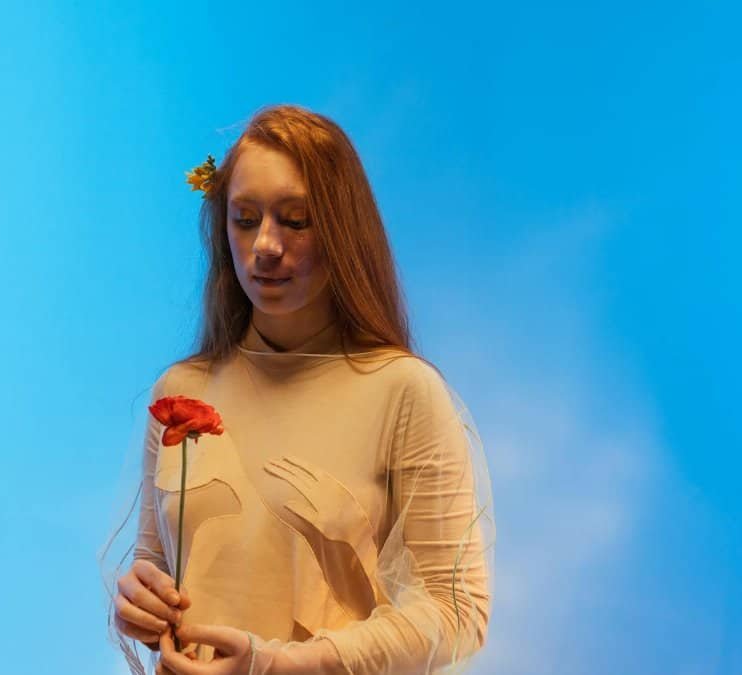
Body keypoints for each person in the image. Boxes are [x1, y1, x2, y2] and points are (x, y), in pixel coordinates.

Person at [99, 104, 495, 674]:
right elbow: (158, 565)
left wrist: (278, 666)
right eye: (244, 218)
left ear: (342, 228)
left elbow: (458, 613)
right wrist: (140, 603)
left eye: (296, 219)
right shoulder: (180, 392)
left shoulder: (403, 392)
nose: (264, 245)